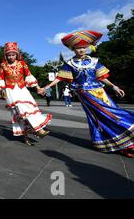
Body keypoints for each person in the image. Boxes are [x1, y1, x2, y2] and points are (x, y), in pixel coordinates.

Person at [40, 30, 134, 158]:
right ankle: (117, 142)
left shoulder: (95, 61)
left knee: (112, 111)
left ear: (88, 47)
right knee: (103, 115)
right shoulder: (70, 64)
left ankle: (125, 141)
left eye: (83, 47)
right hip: (85, 93)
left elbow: (102, 77)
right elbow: (60, 78)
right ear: (73, 49)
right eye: (78, 48)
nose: (81, 50)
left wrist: (114, 86)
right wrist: (47, 86)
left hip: (100, 92)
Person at [0, 42, 51, 146]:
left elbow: (29, 75)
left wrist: (38, 88)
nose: (11, 57)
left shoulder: (22, 64)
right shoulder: (3, 65)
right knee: (20, 112)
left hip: (22, 89)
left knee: (29, 110)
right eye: (9, 55)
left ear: (17, 54)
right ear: (6, 55)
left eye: (13, 54)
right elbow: (1, 79)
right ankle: (36, 131)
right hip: (11, 91)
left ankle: (34, 131)